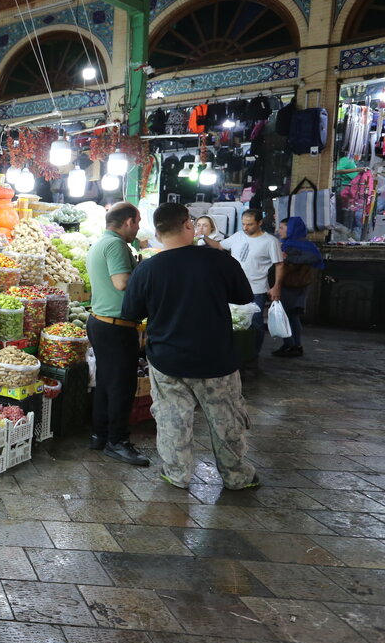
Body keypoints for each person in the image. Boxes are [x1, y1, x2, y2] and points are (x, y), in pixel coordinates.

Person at [121, 203, 258, 490]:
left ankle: (177, 474)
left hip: (167, 360)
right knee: (226, 422)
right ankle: (237, 477)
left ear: (158, 233)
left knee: (172, 420)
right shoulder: (218, 261)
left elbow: (131, 313)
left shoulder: (147, 269)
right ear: (188, 225)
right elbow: (245, 297)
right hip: (215, 359)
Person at [83, 202, 150, 467]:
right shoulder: (117, 245)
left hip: (101, 322)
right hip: (115, 326)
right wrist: (145, 273)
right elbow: (122, 282)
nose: (139, 227)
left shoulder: (101, 242)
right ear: (129, 222)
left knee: (106, 382)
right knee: (122, 386)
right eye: (138, 222)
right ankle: (117, 442)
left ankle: (100, 435)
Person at [205, 209, 282, 364]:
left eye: (250, 224)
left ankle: (252, 355)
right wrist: (202, 236)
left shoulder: (270, 241)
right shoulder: (238, 236)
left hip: (257, 290)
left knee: (255, 323)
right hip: (232, 288)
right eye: (243, 224)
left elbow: (280, 265)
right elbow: (220, 246)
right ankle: (234, 352)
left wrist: (276, 287)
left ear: (260, 223)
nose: (245, 228)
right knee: (234, 321)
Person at [271, 216, 324, 357]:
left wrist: (286, 258)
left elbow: (311, 258)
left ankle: (292, 345)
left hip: (292, 286)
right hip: (295, 285)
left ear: (292, 229)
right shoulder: (297, 244)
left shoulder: (294, 245)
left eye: (282, 228)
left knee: (288, 315)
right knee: (291, 316)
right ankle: (292, 345)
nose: (278, 231)